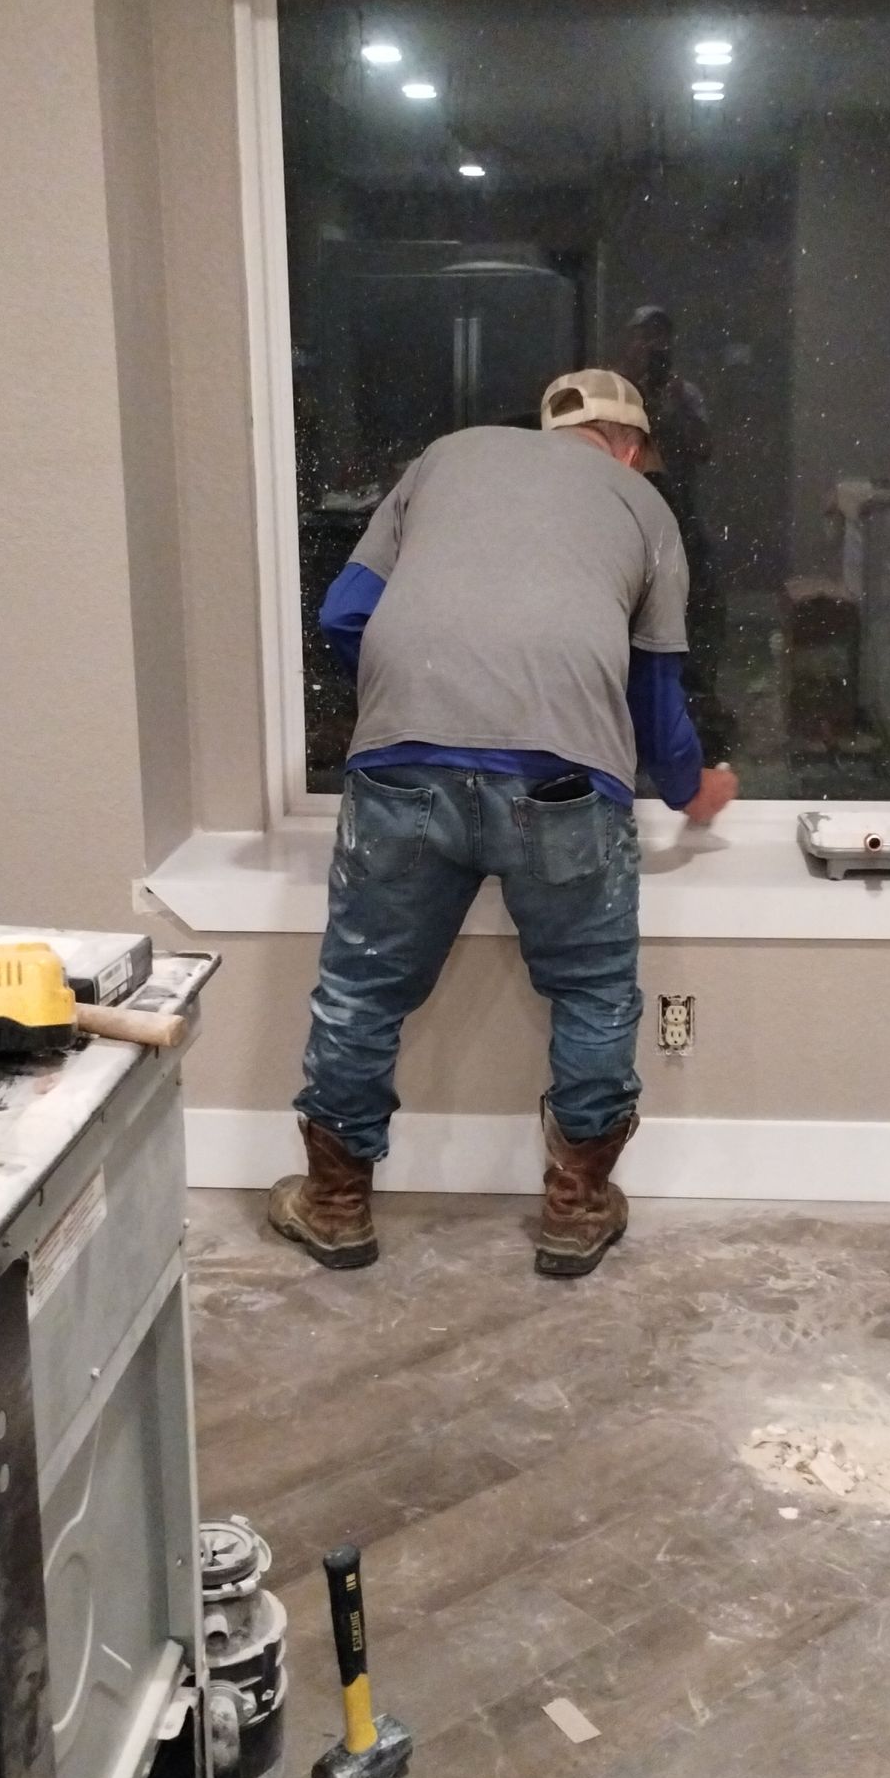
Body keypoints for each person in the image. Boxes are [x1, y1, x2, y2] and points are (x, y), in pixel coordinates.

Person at [268, 369, 739, 1280]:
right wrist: (692, 789)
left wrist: (423, 690)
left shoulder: (444, 460)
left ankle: (334, 1205)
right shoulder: (642, 507)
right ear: (632, 447)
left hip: (404, 766)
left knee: (362, 993)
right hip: (564, 780)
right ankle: (575, 1209)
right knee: (594, 993)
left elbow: (345, 612)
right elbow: (651, 690)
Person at [619, 306, 735, 752]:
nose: (654, 347)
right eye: (645, 337)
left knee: (702, 599)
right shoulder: (618, 395)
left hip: (679, 513)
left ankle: (694, 697)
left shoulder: (684, 393)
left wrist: (674, 404)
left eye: (661, 338)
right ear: (628, 343)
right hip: (626, 516)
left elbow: (705, 447)